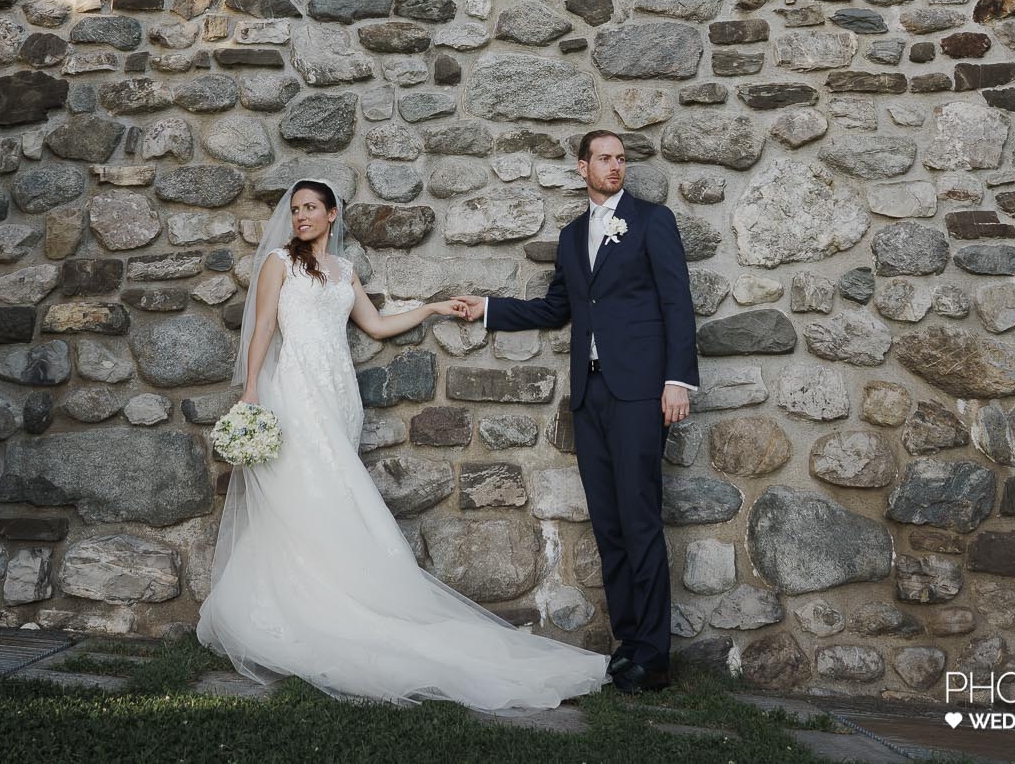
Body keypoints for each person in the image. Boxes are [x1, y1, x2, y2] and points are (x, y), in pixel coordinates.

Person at [197, 179, 610, 711]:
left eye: (309, 208)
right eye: (295, 209)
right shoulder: (280, 262)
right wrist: (253, 387)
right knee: (304, 493)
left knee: (330, 494)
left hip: (338, 392)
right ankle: (296, 608)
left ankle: (337, 598)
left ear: (331, 214)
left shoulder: (345, 272)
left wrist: (434, 308)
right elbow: (263, 327)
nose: (300, 216)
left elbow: (377, 325)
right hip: (292, 389)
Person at [454, 130, 699, 693]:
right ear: (582, 166)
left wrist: (677, 381)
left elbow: (676, 302)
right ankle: (627, 643)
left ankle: (655, 657)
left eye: (621, 159)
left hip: (641, 392)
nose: (616, 168)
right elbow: (557, 306)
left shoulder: (651, 220)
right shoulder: (570, 236)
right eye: (605, 159)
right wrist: (487, 309)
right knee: (609, 525)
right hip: (589, 395)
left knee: (640, 519)